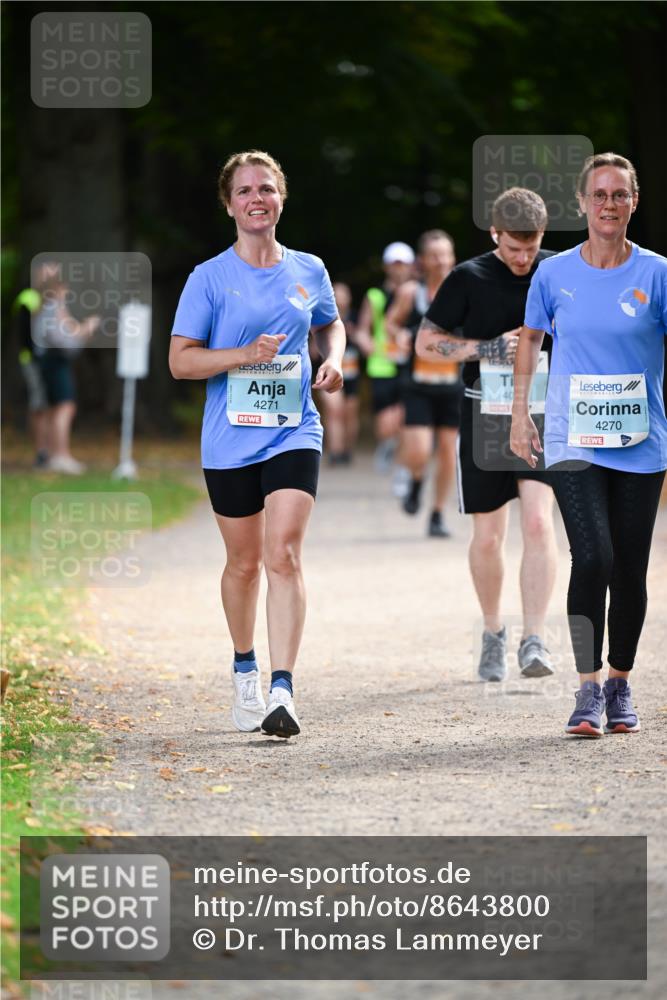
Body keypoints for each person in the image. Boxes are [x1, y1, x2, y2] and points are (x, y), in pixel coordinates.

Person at [169, 150, 345, 739]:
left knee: (284, 555)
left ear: (281, 198)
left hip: (295, 428)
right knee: (243, 565)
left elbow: (329, 322)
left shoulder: (308, 269)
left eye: (266, 188)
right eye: (244, 190)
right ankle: (245, 667)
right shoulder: (209, 277)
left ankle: (282, 688)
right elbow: (180, 362)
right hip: (229, 439)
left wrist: (335, 358)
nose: (256, 198)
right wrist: (244, 355)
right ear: (229, 204)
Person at [510, 152, 667, 736]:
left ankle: (620, 682)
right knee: (592, 556)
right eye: (598, 195)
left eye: (619, 195)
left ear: (634, 203)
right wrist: (520, 412)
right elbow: (530, 338)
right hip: (572, 437)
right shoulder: (554, 275)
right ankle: (587, 690)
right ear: (581, 203)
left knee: (628, 567)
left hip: (641, 440)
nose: (608, 205)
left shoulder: (657, 273)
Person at [415, 189, 558, 680]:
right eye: (514, 248)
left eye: (532, 247)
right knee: (489, 535)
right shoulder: (468, 276)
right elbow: (427, 343)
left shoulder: (558, 270)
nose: (523, 259)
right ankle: (494, 631)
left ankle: (534, 638)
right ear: (494, 233)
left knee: (539, 524)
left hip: (541, 415)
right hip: (485, 417)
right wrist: (487, 348)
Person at [385, 230, 462, 538]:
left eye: (446, 254)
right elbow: (391, 322)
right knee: (418, 451)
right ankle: (416, 480)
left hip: (451, 384)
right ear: (423, 260)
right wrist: (399, 335)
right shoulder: (410, 293)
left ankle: (437, 513)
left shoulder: (464, 291)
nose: (441, 260)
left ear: (453, 257)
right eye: (434, 255)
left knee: (447, 452)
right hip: (418, 384)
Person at [32, 262, 99, 474]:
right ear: (60, 287)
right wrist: (87, 329)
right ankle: (61, 455)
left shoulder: (42, 305)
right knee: (65, 407)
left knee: (54, 408)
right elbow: (67, 340)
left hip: (47, 361)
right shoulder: (55, 308)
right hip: (55, 361)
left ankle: (54, 455)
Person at [356, 242, 415, 473]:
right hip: (381, 363)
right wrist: (366, 343)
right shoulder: (376, 295)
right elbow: (363, 329)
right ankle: (387, 444)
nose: (399, 269)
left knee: (405, 413)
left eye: (403, 264)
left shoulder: (418, 293)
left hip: (409, 362)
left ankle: (401, 460)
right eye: (394, 264)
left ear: (411, 266)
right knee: (385, 417)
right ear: (386, 267)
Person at [316, 281, 361, 465]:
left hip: (352, 374)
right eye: (337, 293)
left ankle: (346, 450)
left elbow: (367, 341)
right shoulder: (321, 317)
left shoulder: (356, 317)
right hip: (327, 372)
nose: (341, 298)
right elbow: (312, 350)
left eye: (344, 294)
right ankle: (334, 452)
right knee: (334, 411)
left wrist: (355, 334)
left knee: (349, 414)